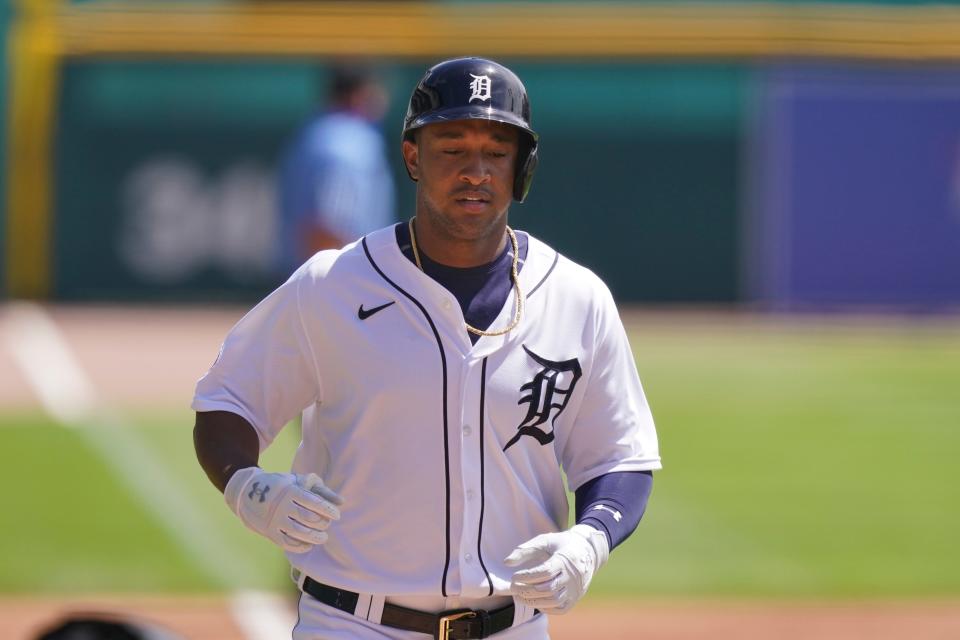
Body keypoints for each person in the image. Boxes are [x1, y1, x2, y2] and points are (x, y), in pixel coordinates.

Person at [193, 57, 661, 640]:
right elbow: (226, 400)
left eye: (496, 151)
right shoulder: (331, 286)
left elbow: (620, 456)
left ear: (522, 168)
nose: (476, 171)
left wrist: (592, 537)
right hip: (351, 624)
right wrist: (247, 486)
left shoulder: (577, 297)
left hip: (513, 627)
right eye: (452, 148)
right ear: (413, 157)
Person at [276, 62, 395, 274]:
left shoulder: (315, 133)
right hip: (337, 286)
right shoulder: (346, 142)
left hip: (308, 282)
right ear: (361, 94)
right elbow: (328, 226)